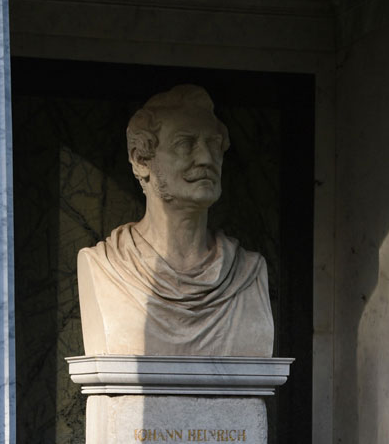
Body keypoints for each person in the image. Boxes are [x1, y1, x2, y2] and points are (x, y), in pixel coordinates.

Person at [77, 85, 274, 356]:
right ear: (141, 160)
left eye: (214, 144)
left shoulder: (248, 273)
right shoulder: (105, 267)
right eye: (185, 144)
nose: (207, 158)